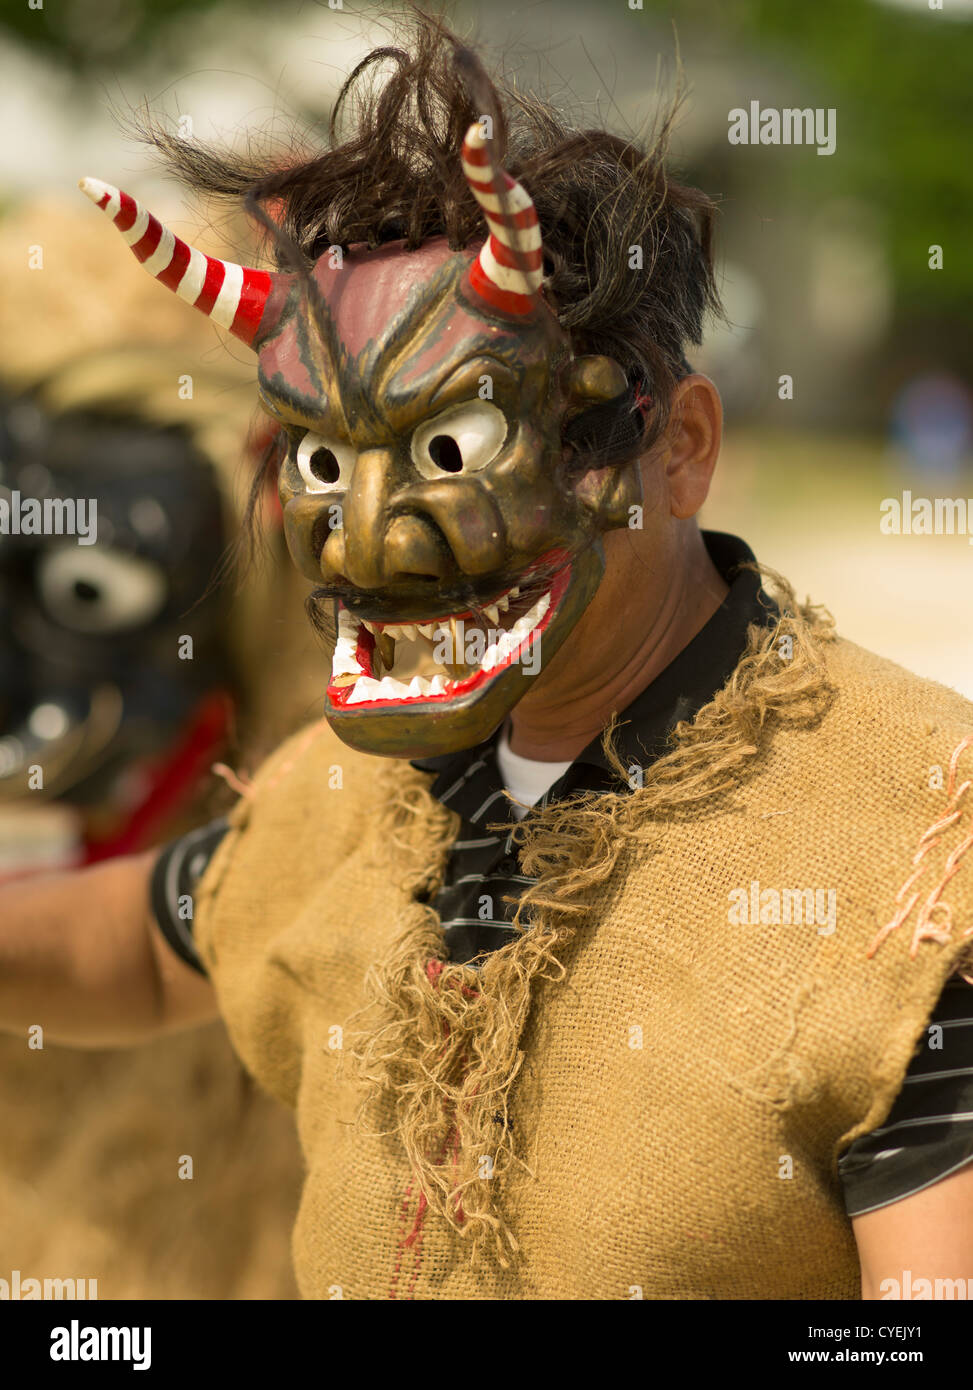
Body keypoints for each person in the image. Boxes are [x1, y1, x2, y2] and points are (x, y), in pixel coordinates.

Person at [2, 16, 972, 1299]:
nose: (363, 537)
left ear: (675, 446)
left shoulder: (918, 854)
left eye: (455, 448)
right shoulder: (351, 802)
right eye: (321, 461)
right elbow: (137, 943)